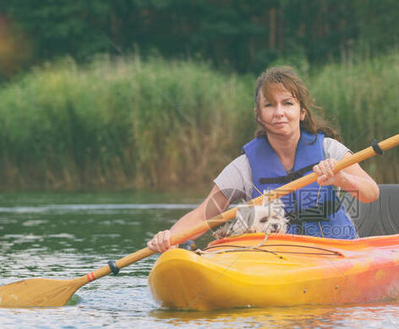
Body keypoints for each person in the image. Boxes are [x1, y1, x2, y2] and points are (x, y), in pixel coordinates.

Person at [147, 66, 379, 252]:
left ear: (302, 113)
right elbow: (203, 215)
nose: (279, 112)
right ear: (259, 115)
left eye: (287, 103)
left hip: (336, 252)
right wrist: (171, 237)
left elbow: (371, 193)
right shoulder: (244, 167)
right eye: (270, 105)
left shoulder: (330, 149)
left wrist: (342, 179)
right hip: (274, 259)